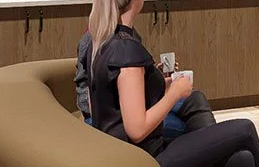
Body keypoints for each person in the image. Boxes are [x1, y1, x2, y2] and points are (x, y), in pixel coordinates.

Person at [83, 0, 259, 167]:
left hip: (127, 156)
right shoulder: (125, 49)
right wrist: (174, 94)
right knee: (244, 128)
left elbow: (107, 105)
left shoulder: (100, 43)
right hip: (145, 161)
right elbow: (137, 129)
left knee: (242, 160)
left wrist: (161, 83)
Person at [75, 30, 216, 138]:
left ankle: (211, 147)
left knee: (195, 97)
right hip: (120, 119)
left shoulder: (129, 33)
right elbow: (91, 93)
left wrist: (156, 77)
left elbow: (133, 81)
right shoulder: (98, 40)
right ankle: (211, 149)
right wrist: (171, 93)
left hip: (143, 102)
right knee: (187, 127)